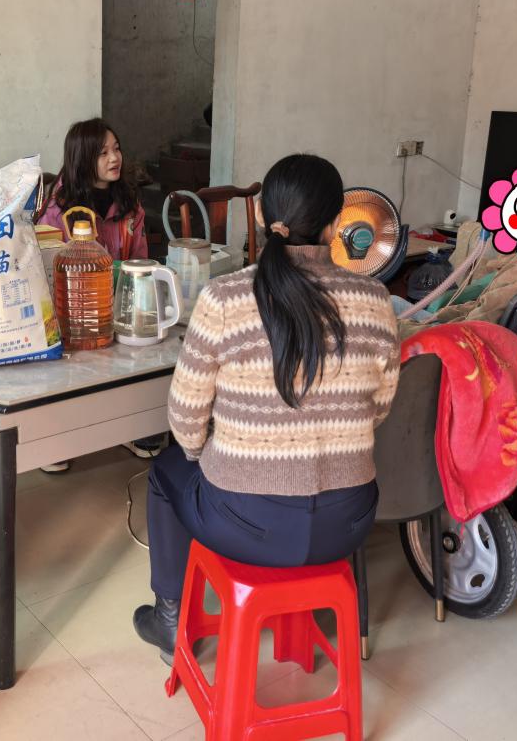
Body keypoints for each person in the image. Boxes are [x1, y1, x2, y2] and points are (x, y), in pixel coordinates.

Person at [133, 154, 400, 662]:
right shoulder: (375, 298)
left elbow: (186, 419)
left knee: (165, 472)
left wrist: (214, 459)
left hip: (246, 524)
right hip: (349, 521)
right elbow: (379, 408)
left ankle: (170, 621)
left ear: (260, 215)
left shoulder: (225, 299)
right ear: (337, 223)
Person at [36, 117, 159, 468]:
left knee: (147, 344)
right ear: (83, 158)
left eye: (116, 149)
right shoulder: (59, 209)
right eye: (103, 153)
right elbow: (47, 269)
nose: (114, 158)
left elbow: (139, 257)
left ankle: (135, 425)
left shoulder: (129, 202)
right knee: (69, 365)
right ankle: (54, 440)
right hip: (72, 310)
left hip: (118, 302)